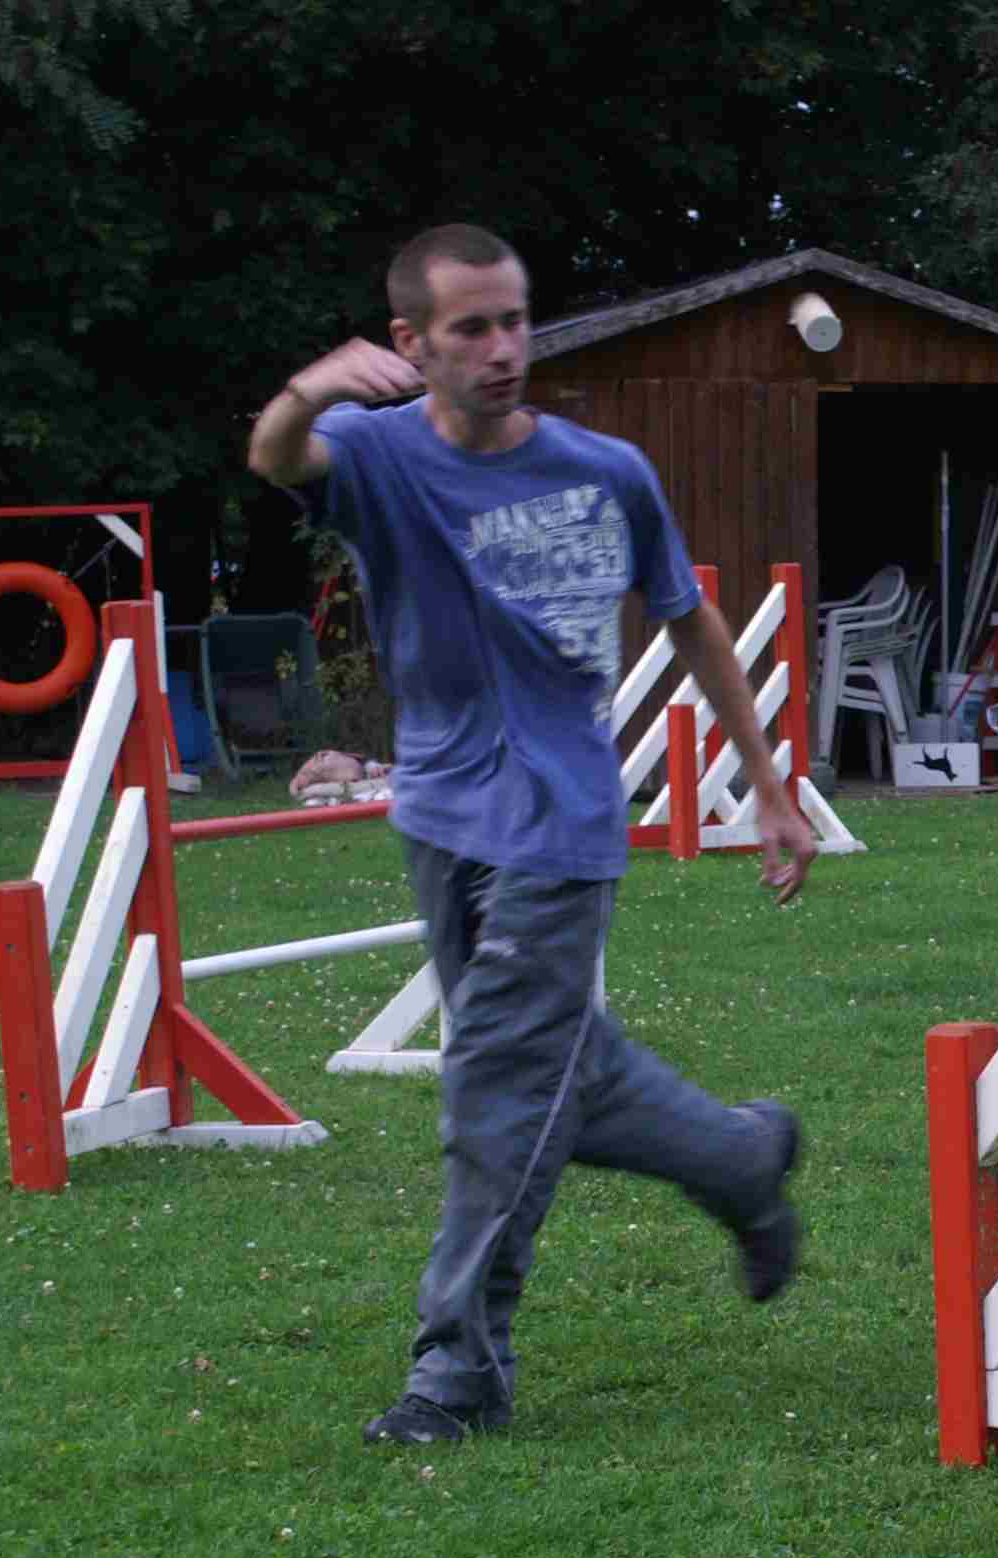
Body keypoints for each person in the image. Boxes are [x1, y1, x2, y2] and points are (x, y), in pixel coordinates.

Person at [247, 222, 821, 1446]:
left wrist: (768, 783)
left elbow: (689, 617)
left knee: (494, 1094)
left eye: (515, 321)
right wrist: (310, 386)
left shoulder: (606, 471)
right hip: (441, 813)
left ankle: (458, 1370)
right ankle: (738, 1159)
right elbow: (274, 454)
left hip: (562, 823)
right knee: (563, 1073)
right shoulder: (375, 456)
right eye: (472, 329)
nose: (504, 348)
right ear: (412, 343)